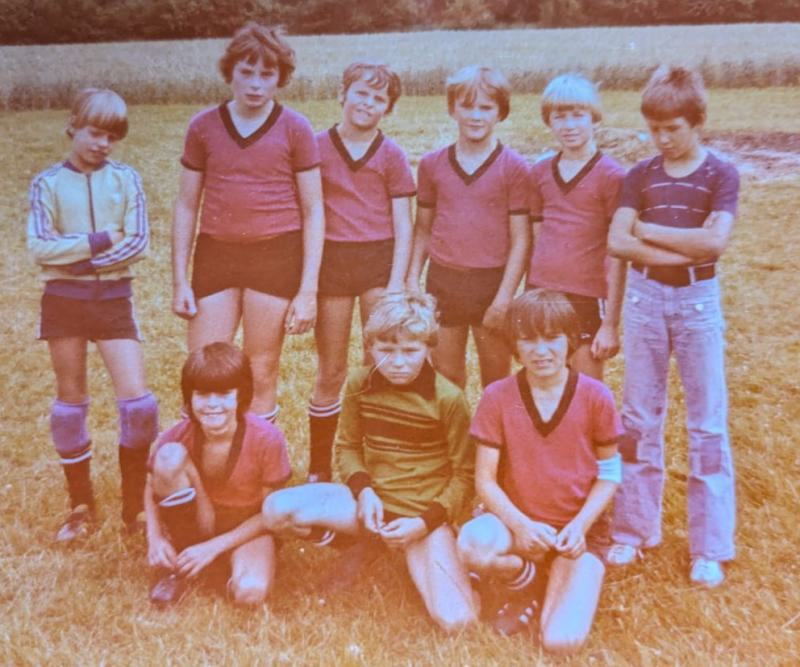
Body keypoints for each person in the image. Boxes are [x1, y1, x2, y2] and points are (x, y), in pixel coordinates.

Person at [263, 292, 477, 633]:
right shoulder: (360, 383)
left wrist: (425, 523)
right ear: (370, 346)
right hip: (370, 505)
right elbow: (347, 446)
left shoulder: (448, 398)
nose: (398, 362)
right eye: (386, 349)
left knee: (457, 620)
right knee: (276, 510)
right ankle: (364, 543)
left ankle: (427, 555)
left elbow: (465, 475)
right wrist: (363, 491)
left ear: (428, 348)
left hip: (422, 516)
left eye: (410, 351)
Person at [606, 66, 739, 588]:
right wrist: (679, 247)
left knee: (707, 423)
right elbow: (618, 241)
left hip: (697, 302)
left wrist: (647, 229)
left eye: (673, 129)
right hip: (644, 300)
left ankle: (710, 547)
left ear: (697, 122)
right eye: (653, 129)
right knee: (639, 417)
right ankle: (633, 530)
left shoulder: (721, 174)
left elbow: (714, 244)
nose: (662, 139)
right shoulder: (639, 175)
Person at [171, 22, 324, 423]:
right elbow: (186, 205)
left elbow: (313, 210)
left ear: (280, 77)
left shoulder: (296, 128)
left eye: (267, 74)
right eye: (247, 71)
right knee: (203, 369)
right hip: (217, 253)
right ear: (230, 72)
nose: (256, 83)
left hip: (275, 255)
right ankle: (201, 458)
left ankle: (258, 459)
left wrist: (308, 289)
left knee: (261, 369)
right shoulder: (203, 126)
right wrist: (180, 279)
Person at [457, 289, 623, 653]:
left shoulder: (596, 396)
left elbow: (610, 471)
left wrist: (580, 526)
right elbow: (484, 480)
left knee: (561, 641)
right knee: (472, 544)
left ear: (571, 340)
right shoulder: (497, 396)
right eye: (528, 340)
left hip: (574, 531)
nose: (541, 350)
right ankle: (525, 579)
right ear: (514, 345)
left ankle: (558, 577)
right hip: (516, 525)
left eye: (551, 338)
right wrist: (521, 525)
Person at [27, 87, 157, 541]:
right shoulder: (47, 183)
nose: (103, 144)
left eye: (111, 137)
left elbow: (138, 242)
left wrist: (79, 261)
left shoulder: (126, 179)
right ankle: (80, 505)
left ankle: (135, 507)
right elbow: (40, 247)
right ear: (73, 126)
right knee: (70, 402)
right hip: (63, 302)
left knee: (138, 404)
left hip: (113, 299)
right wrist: (101, 241)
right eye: (95, 133)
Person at [307, 62, 415, 482]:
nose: (368, 103)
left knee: (378, 364)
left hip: (377, 263)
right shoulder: (316, 147)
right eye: (361, 93)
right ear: (342, 94)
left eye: (379, 98)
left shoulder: (392, 155)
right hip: (333, 262)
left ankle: (377, 460)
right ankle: (319, 467)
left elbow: (403, 224)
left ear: (388, 108)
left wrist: (396, 283)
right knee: (332, 369)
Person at [407, 65, 530, 389]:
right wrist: (412, 279)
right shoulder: (432, 164)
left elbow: (521, 240)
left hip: (491, 284)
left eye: (486, 108)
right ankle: (454, 426)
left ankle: (493, 427)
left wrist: (504, 299)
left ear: (500, 113)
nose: (476, 116)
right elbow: (423, 229)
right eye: (467, 106)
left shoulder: (514, 167)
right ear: (452, 109)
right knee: (447, 377)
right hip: (444, 281)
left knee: (496, 379)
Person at [144, 342, 291, 607]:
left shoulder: (267, 439)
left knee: (250, 593)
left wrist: (214, 547)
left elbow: (272, 514)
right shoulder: (177, 435)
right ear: (189, 397)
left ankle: (208, 566)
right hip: (198, 519)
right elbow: (149, 484)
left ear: (241, 395)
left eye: (224, 394)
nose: (212, 404)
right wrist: (154, 538)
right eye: (202, 394)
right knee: (167, 456)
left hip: (247, 527)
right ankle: (181, 557)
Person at [527, 73, 626, 380]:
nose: (569, 125)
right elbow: (538, 239)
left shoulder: (612, 176)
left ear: (594, 118)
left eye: (578, 115)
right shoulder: (540, 172)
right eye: (559, 117)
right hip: (542, 292)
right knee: (543, 384)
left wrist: (610, 324)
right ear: (548, 121)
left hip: (587, 297)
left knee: (584, 387)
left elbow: (617, 256)